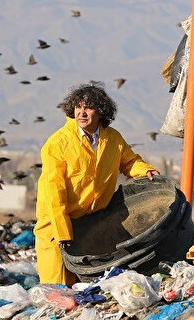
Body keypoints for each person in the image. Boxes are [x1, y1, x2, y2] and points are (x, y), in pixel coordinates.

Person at [34, 82, 159, 285]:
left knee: (87, 286)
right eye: (78, 108)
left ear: (101, 112)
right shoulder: (58, 144)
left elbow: (129, 161)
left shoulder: (113, 139)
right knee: (57, 287)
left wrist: (145, 170)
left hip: (91, 223)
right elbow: (53, 194)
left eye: (88, 108)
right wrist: (62, 233)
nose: (82, 113)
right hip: (56, 225)